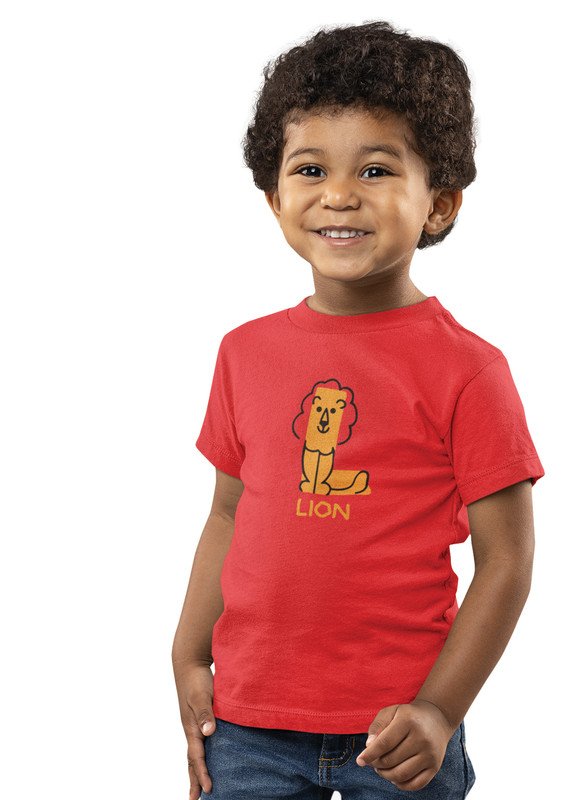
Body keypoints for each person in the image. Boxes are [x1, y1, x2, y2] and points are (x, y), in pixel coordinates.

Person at [172, 20, 545, 800]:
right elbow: (227, 513)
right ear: (274, 197)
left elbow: (505, 562)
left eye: (375, 169)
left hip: (399, 728)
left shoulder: (470, 370)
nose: (338, 194)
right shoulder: (243, 352)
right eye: (310, 169)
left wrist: (439, 709)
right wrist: (188, 652)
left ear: (438, 203)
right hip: (247, 724)